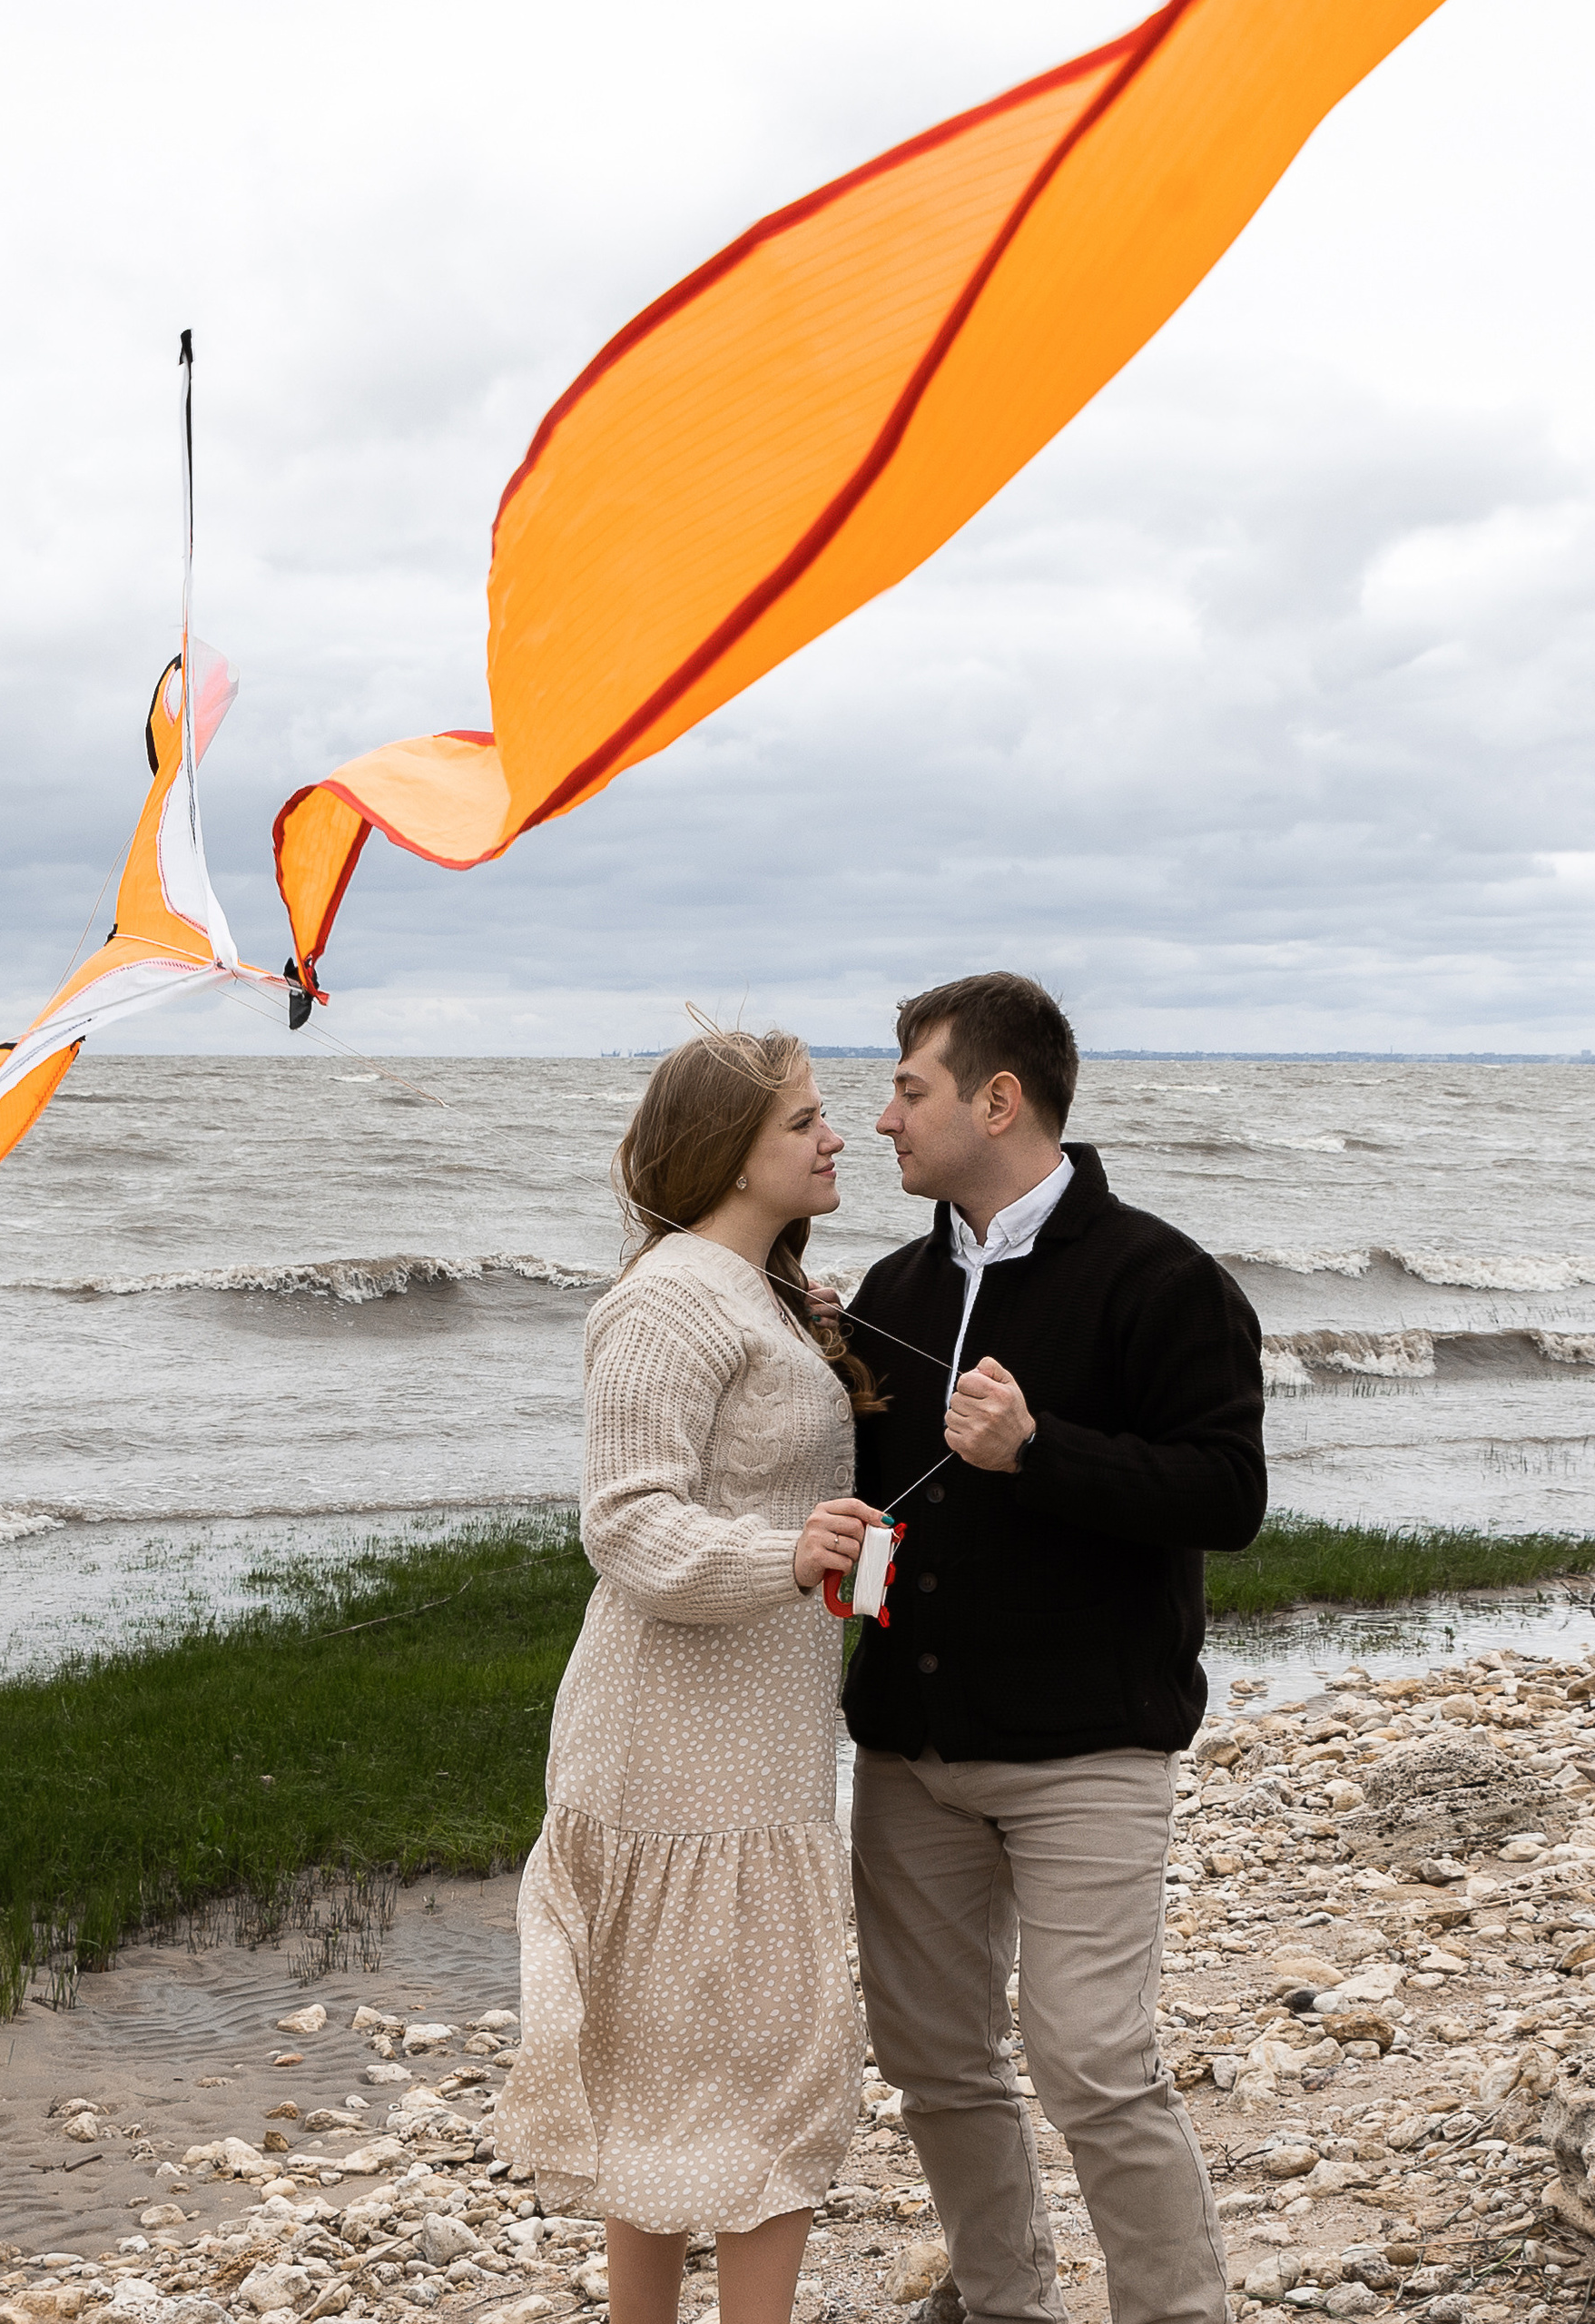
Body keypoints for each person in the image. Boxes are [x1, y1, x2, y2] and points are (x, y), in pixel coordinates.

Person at [842, 971, 1266, 2324]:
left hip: (1090, 1743)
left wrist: (1041, 1451)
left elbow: (1227, 1495)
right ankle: (1002, 2297)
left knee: (1091, 2060)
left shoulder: (1162, 1278)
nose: (886, 1116)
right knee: (933, 2058)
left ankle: (1177, 2311)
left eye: (911, 1088)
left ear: (998, 1098)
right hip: (909, 1751)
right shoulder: (889, 1286)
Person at [498, 1027, 886, 2324]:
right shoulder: (666, 1299)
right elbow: (627, 1524)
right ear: (728, 1154)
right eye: (805, 1122)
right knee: (708, 2061)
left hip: (761, 1733)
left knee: (731, 2057)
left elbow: (758, 1468)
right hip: (670, 1739)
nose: (837, 1137)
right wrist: (789, 1553)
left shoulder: (755, 1290)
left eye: (829, 1115)